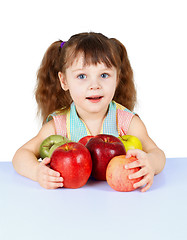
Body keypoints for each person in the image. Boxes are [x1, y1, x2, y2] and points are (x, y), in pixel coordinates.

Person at [12, 32, 166, 192]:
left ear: (117, 78)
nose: (94, 85)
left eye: (104, 75)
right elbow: (21, 155)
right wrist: (37, 172)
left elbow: (157, 153)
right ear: (64, 81)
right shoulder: (59, 125)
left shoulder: (126, 122)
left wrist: (150, 164)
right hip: (69, 204)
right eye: (82, 76)